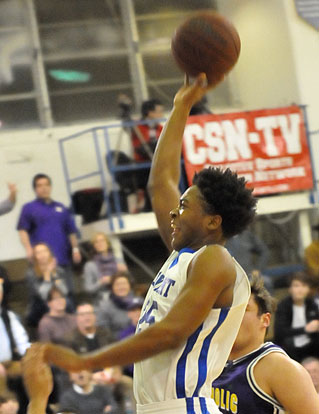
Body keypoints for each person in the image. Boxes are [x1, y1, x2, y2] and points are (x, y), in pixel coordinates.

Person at [23, 73, 257, 414]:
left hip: (186, 406)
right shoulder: (184, 256)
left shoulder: (215, 260)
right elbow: (160, 182)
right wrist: (181, 106)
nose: (173, 214)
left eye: (184, 207)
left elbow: (170, 333)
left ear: (212, 220)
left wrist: (82, 362)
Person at [212, 274, 319, 414]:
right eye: (229, 309)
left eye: (243, 309)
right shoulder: (211, 362)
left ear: (265, 320)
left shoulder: (280, 367)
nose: (233, 315)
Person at [17, 174, 81, 292]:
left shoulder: (61, 208)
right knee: (45, 295)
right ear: (35, 189)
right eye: (40, 185)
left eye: (46, 184)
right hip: (42, 263)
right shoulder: (29, 208)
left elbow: (71, 231)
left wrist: (75, 249)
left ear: (51, 187)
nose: (44, 188)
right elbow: (22, 230)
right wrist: (28, 249)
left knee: (68, 293)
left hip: (62, 260)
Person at [0, 279, 30, 414]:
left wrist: (32, 354)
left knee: (34, 369)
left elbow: (22, 340)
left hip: (11, 362)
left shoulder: (8, 315)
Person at [25, 243, 72, 328]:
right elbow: (42, 296)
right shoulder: (31, 273)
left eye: (44, 251)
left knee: (68, 302)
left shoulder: (58, 270)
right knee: (49, 305)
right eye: (38, 253)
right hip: (39, 305)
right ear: (35, 256)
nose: (42, 254)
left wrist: (54, 274)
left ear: (49, 253)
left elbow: (65, 291)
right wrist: (47, 275)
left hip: (57, 301)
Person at [274, 272, 319, 362]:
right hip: (290, 350)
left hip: (311, 348)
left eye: (304, 286)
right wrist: (305, 329)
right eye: (296, 286)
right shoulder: (283, 306)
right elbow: (280, 333)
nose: (300, 290)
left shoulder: (312, 304)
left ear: (309, 289)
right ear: (290, 289)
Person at [82, 233, 128, 301]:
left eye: (102, 241)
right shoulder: (90, 265)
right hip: (103, 300)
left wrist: (125, 272)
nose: (100, 243)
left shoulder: (118, 261)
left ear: (107, 243)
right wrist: (101, 282)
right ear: (94, 246)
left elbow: (130, 282)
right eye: (96, 242)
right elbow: (88, 289)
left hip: (122, 297)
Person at [96, 273, 135, 338]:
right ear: (112, 287)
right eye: (118, 284)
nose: (121, 287)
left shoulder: (139, 303)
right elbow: (104, 333)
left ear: (130, 286)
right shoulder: (104, 307)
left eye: (124, 284)